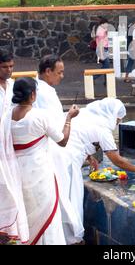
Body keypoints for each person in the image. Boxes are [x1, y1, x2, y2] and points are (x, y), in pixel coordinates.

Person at [63, 98, 135, 230]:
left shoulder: (86, 113)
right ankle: (72, 237)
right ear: (112, 115)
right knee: (72, 199)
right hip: (68, 161)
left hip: (59, 155)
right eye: (118, 119)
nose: (118, 122)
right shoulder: (103, 130)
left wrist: (89, 157)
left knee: (62, 198)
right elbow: (116, 160)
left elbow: (80, 136)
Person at [7, 77, 79, 245]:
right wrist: (69, 118)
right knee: (48, 218)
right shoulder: (39, 116)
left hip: (17, 176)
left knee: (26, 215)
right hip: (40, 175)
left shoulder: (5, 117)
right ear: (32, 94)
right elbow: (62, 141)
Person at [34, 54, 86, 244]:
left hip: (39, 152)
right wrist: (70, 117)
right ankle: (68, 236)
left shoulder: (36, 87)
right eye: (60, 72)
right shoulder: (46, 93)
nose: (62, 76)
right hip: (53, 151)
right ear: (48, 72)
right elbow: (58, 133)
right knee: (63, 194)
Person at [0, 50, 29, 245]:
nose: (9, 70)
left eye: (11, 66)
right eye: (4, 67)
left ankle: (8, 229)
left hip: (9, 146)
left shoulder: (11, 87)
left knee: (10, 187)